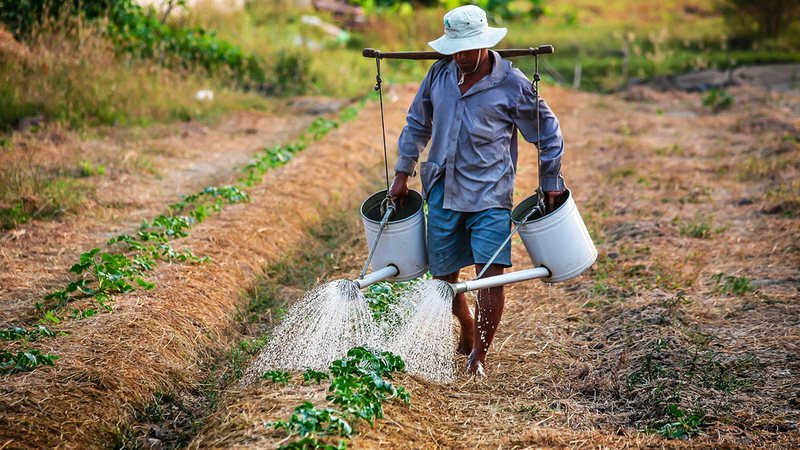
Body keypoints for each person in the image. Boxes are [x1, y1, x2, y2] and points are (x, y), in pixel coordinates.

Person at [388, 5, 567, 376]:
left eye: (468, 49)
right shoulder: (439, 74)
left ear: (485, 44)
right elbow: (416, 123)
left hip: (490, 193)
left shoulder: (512, 84)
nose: (461, 56)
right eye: (455, 49)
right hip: (442, 189)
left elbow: (548, 133)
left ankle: (478, 358)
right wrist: (402, 173)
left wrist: (550, 180)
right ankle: (466, 324)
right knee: (443, 279)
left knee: (491, 275)